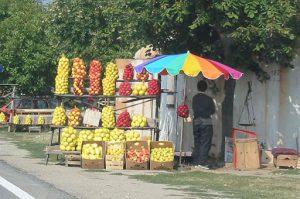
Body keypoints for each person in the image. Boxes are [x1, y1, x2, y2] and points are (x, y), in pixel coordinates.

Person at [192, 80, 215, 169]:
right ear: (206, 88)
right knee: (205, 142)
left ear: (198, 87)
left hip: (196, 121)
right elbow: (213, 111)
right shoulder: (209, 99)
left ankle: (196, 161)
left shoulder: (194, 98)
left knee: (197, 141)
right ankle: (201, 163)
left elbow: (194, 109)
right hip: (206, 122)